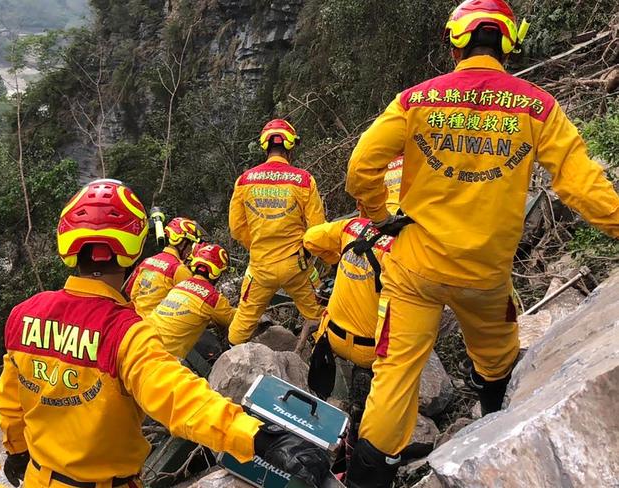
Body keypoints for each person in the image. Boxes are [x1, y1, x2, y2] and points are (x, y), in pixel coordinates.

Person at [343, 0, 619, 486]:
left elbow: (361, 167)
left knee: (397, 374)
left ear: (455, 42)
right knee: (496, 359)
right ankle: (497, 428)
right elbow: (582, 187)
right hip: (485, 276)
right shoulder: (538, 107)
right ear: (509, 43)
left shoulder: (415, 101)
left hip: (414, 270)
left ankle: (369, 477)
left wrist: (379, 216)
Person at [0, 179, 330, 488]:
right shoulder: (125, 334)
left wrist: (17, 450)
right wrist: (262, 437)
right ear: (134, 247)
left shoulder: (25, 314)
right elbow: (181, 399)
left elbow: (10, 402)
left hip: (39, 478)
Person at [228, 119, 326, 345]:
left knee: (243, 321)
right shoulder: (304, 180)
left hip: (260, 266)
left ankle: (232, 358)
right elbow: (318, 229)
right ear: (290, 147)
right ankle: (327, 359)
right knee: (321, 316)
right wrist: (314, 256)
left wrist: (257, 247)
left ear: (265, 146)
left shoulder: (244, 181)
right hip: (297, 267)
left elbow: (237, 228)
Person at [303, 216, 394, 455]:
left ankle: (320, 410)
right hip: (370, 351)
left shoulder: (352, 226)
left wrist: (337, 261)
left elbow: (310, 239)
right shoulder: (406, 246)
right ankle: (359, 432)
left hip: (331, 338)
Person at [150, 243, 235, 359]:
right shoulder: (213, 298)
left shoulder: (180, 285)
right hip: (164, 357)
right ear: (217, 273)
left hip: (145, 340)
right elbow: (234, 320)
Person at [125, 216, 203, 318]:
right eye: (191, 244)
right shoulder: (179, 269)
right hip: (157, 327)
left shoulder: (147, 261)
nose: (190, 250)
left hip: (134, 320)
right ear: (182, 242)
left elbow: (131, 292)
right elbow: (196, 305)